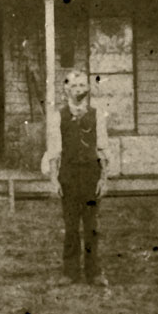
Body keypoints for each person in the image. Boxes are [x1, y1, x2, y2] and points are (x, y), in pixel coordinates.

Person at [46, 70, 111, 285]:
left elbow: (102, 148)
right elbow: (54, 151)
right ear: (66, 90)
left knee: (91, 225)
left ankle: (94, 272)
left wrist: (103, 179)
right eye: (74, 86)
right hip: (69, 176)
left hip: (91, 175)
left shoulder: (96, 115)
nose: (78, 90)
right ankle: (70, 272)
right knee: (71, 225)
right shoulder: (58, 117)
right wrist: (54, 180)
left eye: (82, 85)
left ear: (88, 89)